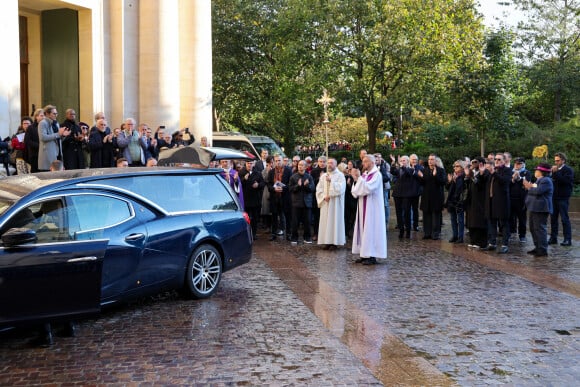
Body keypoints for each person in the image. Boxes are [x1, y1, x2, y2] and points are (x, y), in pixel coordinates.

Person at [351, 154, 387, 265]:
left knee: (371, 230)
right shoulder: (365, 174)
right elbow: (356, 191)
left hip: (372, 208)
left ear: (372, 163)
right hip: (363, 206)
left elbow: (369, 188)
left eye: (365, 161)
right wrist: (356, 179)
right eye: (363, 161)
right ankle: (364, 253)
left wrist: (359, 178)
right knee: (363, 229)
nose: (363, 164)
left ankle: (372, 255)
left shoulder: (377, 175)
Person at [482, 153, 512, 253]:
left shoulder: (507, 170)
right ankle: (492, 243)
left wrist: (494, 172)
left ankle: (504, 245)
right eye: (495, 159)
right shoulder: (491, 171)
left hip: (501, 202)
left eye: (499, 159)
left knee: (503, 224)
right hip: (490, 201)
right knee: (491, 222)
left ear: (504, 161)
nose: (497, 161)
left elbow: (504, 182)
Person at [523, 163, 554, 256]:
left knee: (540, 229)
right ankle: (537, 247)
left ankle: (542, 250)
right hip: (534, 208)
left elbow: (539, 191)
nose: (535, 172)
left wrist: (529, 187)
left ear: (542, 172)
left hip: (541, 209)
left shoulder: (546, 180)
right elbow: (535, 189)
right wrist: (531, 186)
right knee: (533, 228)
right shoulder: (539, 180)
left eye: (537, 170)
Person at [316, 158, 346, 250]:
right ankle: (326, 241)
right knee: (325, 222)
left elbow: (341, 189)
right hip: (326, 202)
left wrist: (331, 182)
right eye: (328, 163)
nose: (329, 165)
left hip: (335, 203)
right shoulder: (324, 176)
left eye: (331, 163)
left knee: (334, 221)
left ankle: (334, 242)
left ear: (336, 165)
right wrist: (324, 196)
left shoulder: (340, 175)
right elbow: (319, 188)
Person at [418, 154, 446, 240]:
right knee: (426, 216)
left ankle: (435, 234)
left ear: (435, 161)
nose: (430, 161)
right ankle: (427, 233)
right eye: (429, 159)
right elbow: (423, 183)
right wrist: (421, 177)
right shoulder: (425, 170)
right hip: (426, 197)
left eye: (432, 159)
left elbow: (443, 182)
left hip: (436, 197)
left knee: (435, 217)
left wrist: (435, 176)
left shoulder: (441, 170)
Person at [549, 152, 574, 246]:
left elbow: (566, 181)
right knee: (553, 219)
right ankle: (553, 238)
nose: (556, 162)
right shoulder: (553, 170)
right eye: (555, 160)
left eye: (558, 160)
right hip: (553, 197)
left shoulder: (568, 170)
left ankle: (567, 239)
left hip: (563, 197)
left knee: (564, 219)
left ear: (563, 160)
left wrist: (556, 172)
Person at [464, 157, 488, 249]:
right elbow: (466, 183)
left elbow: (480, 184)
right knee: (471, 221)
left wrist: (471, 176)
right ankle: (473, 240)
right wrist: (467, 175)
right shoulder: (472, 172)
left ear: (481, 163)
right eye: (472, 162)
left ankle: (481, 242)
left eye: (475, 162)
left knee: (479, 221)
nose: (473, 164)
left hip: (480, 201)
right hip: (471, 200)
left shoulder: (485, 172)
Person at [289, 160, 315, 244]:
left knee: (307, 222)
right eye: (299, 165)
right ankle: (294, 238)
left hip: (307, 203)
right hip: (296, 203)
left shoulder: (309, 177)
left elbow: (312, 189)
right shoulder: (293, 177)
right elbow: (290, 189)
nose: (300, 166)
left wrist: (307, 185)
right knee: (295, 222)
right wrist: (298, 186)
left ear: (305, 167)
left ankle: (307, 237)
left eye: (302, 165)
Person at [38, 105, 70, 171]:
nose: (56, 115)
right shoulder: (42, 123)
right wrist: (58, 134)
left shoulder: (56, 123)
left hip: (57, 153)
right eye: (54, 113)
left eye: (56, 113)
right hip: (48, 154)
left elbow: (58, 138)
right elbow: (43, 137)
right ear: (47, 114)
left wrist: (63, 135)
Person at [267, 155, 291, 240]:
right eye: (276, 160)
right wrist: (274, 189)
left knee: (287, 216)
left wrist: (283, 188)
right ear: (274, 161)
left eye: (279, 160)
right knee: (274, 216)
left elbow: (290, 184)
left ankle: (288, 234)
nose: (278, 162)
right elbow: (269, 184)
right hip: (274, 197)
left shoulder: (288, 170)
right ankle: (273, 234)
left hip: (285, 197)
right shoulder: (271, 171)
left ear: (282, 161)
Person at [241, 159, 265, 239]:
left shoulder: (257, 173)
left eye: (251, 163)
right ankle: (245, 234)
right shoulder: (241, 172)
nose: (249, 165)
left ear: (253, 164)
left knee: (255, 218)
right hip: (245, 200)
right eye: (248, 163)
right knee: (245, 218)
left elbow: (263, 183)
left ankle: (254, 234)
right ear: (245, 164)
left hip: (255, 200)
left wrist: (258, 185)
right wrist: (244, 179)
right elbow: (238, 184)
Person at [510, 157, 532, 243]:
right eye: (515, 163)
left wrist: (519, 178)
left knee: (522, 218)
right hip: (511, 198)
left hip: (521, 199)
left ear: (523, 164)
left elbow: (527, 184)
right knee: (511, 217)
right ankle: (512, 232)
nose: (517, 165)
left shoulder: (527, 172)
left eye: (519, 163)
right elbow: (508, 184)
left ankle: (522, 235)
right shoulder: (510, 171)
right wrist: (512, 179)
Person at [310, 156, 327, 241]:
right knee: (317, 216)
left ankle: (326, 234)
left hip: (327, 197)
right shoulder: (313, 171)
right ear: (318, 162)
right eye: (320, 161)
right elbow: (312, 183)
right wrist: (320, 178)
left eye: (324, 161)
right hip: (317, 197)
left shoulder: (329, 170)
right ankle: (316, 233)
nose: (322, 163)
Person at [24, 108, 43, 173]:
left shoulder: (45, 126)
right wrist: (40, 146)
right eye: (41, 115)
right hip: (35, 154)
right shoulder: (31, 127)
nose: (43, 117)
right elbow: (27, 141)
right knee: (36, 173)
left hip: (44, 154)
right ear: (36, 117)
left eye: (44, 116)